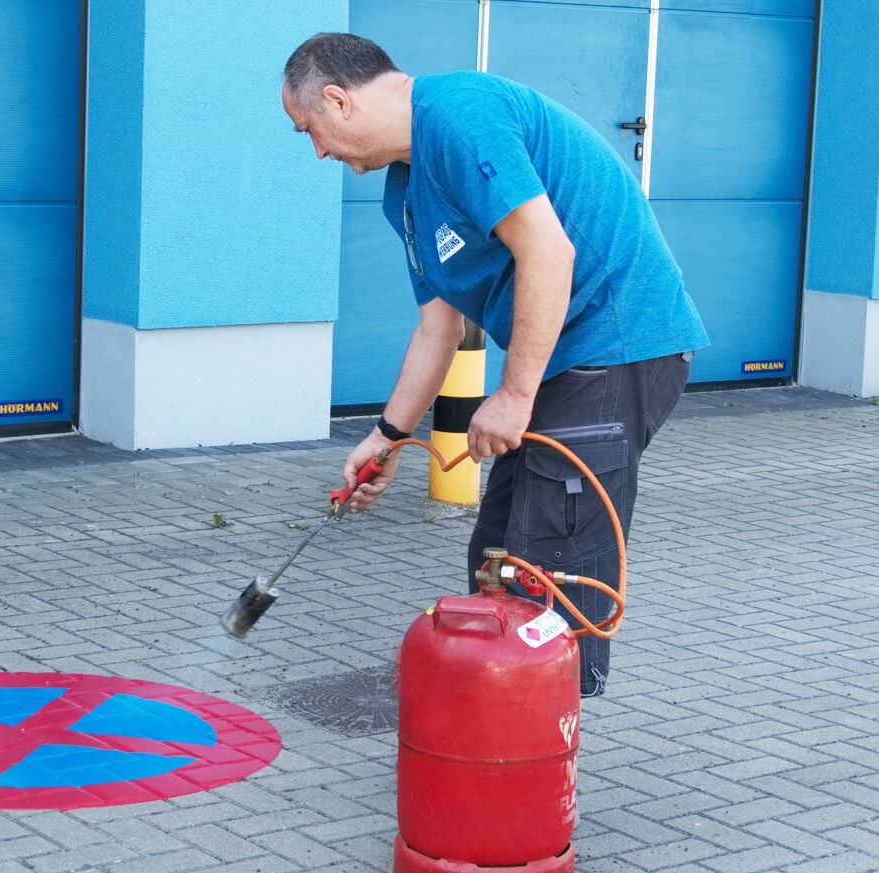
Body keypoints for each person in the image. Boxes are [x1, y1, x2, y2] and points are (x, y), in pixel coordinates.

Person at [282, 33, 709, 698]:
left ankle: (532, 758)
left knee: (549, 571)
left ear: (338, 101)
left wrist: (513, 393)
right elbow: (439, 326)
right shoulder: (406, 194)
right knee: (499, 555)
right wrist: (388, 437)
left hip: (619, 342)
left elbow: (549, 251)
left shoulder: (458, 112)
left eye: (310, 129)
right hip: (567, 361)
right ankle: (496, 735)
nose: (318, 151)